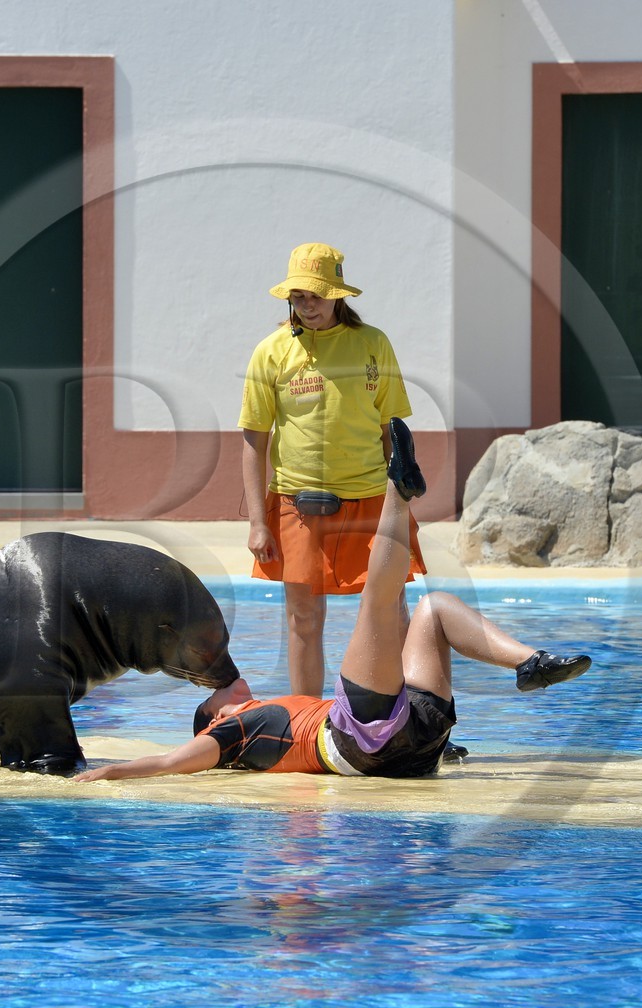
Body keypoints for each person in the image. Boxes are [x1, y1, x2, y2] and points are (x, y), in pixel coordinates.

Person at [74, 419, 592, 783]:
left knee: (432, 610)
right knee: (378, 602)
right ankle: (397, 489)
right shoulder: (232, 732)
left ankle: (530, 664)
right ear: (212, 719)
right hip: (359, 740)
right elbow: (169, 763)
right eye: (210, 699)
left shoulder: (256, 715)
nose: (219, 689)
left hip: (416, 742)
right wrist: (112, 771)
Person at [239, 242, 427, 698]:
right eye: (299, 295)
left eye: (317, 295)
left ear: (338, 295)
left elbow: (391, 428)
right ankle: (307, 720)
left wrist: (396, 501)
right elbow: (253, 441)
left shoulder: (372, 343)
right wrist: (257, 523)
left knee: (390, 609)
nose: (308, 305)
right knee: (303, 617)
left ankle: (411, 716)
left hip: (369, 500)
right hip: (296, 503)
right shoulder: (270, 352)